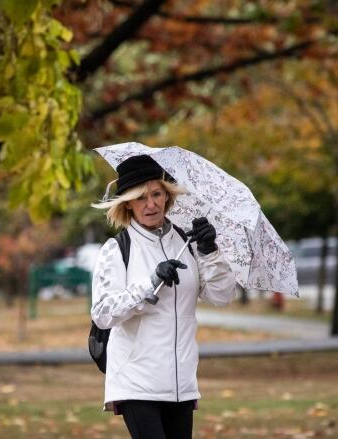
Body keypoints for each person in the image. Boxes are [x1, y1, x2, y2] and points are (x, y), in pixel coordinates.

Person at [90, 154, 237, 439]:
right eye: (141, 197)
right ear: (127, 203)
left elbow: (221, 296)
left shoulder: (185, 241)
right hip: (136, 381)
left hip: (181, 382)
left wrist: (209, 251)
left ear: (167, 196)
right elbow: (103, 313)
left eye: (157, 194)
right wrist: (151, 281)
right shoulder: (117, 248)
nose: (151, 204)